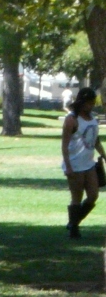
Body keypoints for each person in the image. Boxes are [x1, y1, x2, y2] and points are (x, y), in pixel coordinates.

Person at [62, 87, 106, 239]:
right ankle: (73, 228)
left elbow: (96, 140)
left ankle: (73, 222)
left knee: (93, 195)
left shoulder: (93, 119)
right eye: (89, 103)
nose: (91, 106)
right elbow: (64, 145)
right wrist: (68, 166)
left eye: (93, 103)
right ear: (81, 102)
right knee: (77, 197)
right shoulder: (71, 120)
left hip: (89, 164)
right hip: (75, 164)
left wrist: (104, 155)